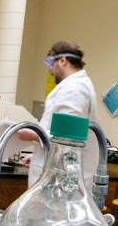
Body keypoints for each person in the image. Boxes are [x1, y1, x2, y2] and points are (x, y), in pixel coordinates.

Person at [19, 41, 99, 188]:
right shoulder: (72, 87)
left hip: (62, 182)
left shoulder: (74, 90)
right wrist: (38, 155)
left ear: (62, 60)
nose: (50, 71)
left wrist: (33, 135)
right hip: (59, 175)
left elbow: (68, 138)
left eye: (51, 63)